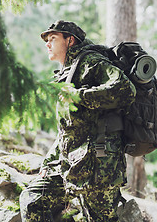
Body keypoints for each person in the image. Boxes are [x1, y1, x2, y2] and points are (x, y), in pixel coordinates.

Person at [20, 20, 136, 222]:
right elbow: (68, 130)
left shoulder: (92, 62)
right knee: (32, 200)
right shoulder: (68, 71)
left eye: (53, 38)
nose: (47, 43)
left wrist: (80, 96)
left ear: (70, 40)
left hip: (100, 166)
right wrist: (49, 162)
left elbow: (125, 90)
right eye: (46, 40)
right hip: (70, 163)